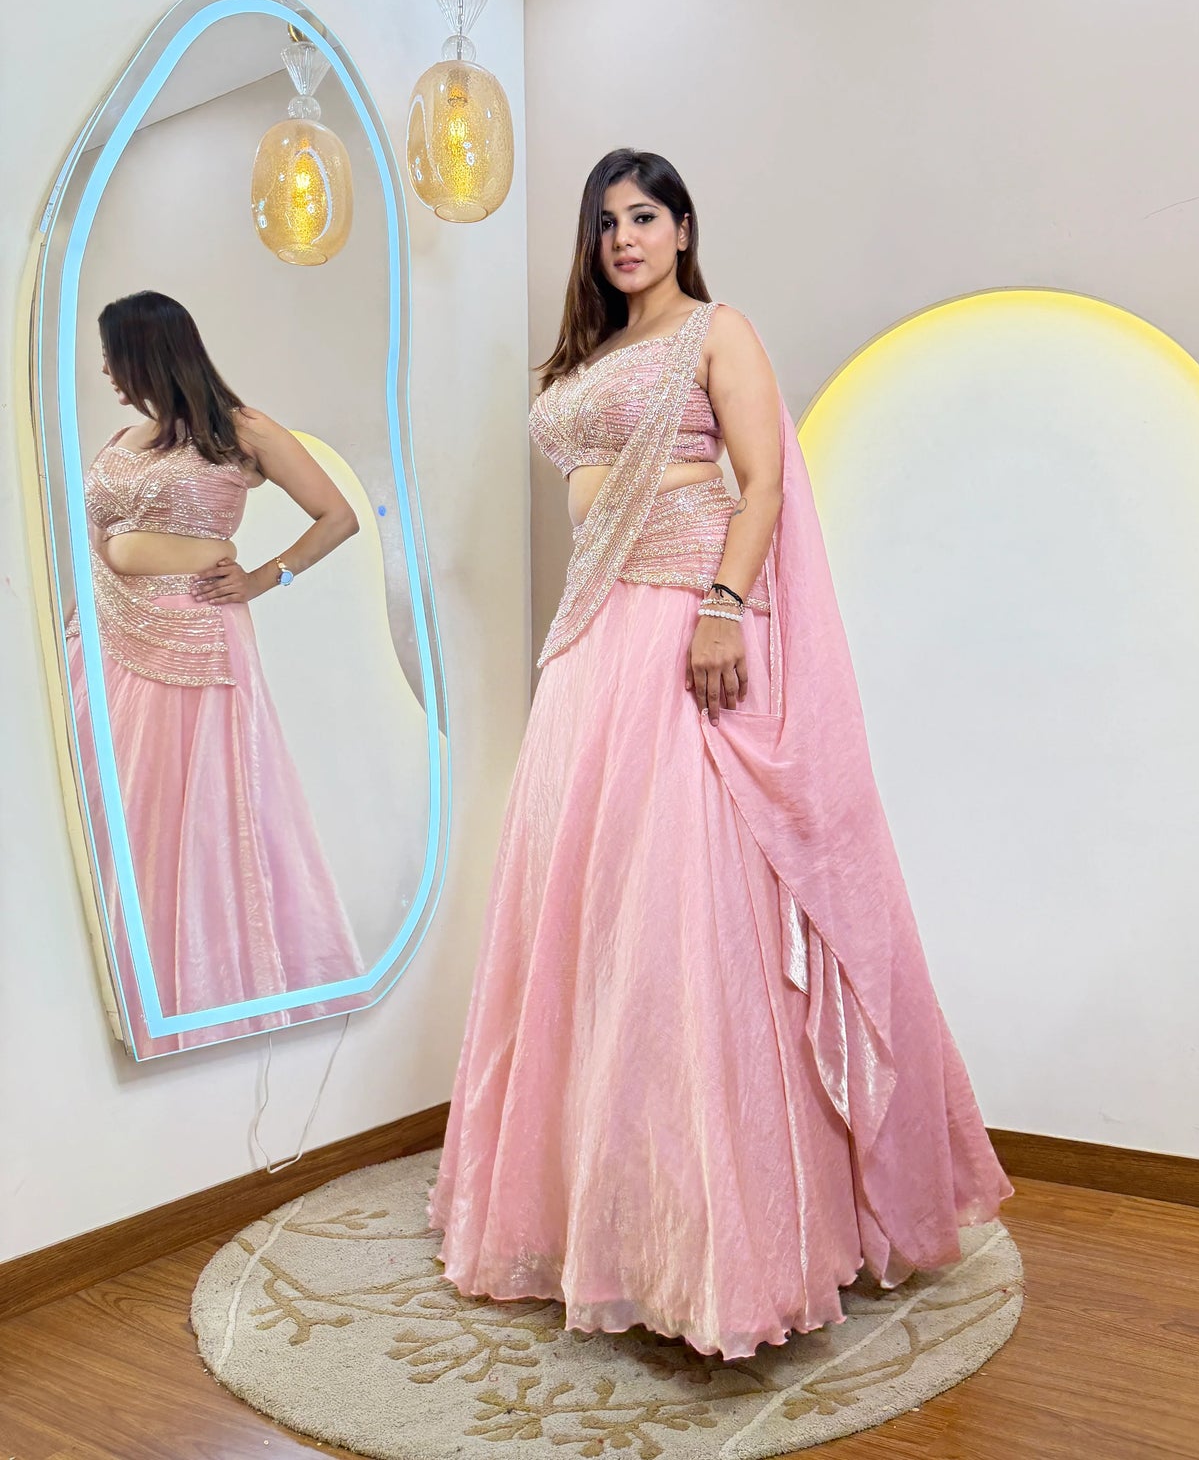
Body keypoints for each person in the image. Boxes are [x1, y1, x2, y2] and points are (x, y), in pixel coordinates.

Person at [429, 152, 1011, 1359]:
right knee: (592, 919)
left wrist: (723, 608)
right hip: (591, 640)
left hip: (679, 622)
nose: (624, 237)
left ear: (684, 229)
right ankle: (604, 1219)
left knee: (683, 919)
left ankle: (731, 1245)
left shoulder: (716, 332)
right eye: (606, 222)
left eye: (644, 215)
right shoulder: (591, 355)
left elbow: (764, 484)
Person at [68, 289, 364, 1055]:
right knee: (110, 804)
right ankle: (111, 991)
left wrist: (267, 577)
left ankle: (203, 989)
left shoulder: (241, 430)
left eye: (113, 355)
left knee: (193, 812)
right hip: (108, 637)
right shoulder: (121, 439)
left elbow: (337, 515)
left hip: (197, 634)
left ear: (150, 353)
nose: (106, 371)